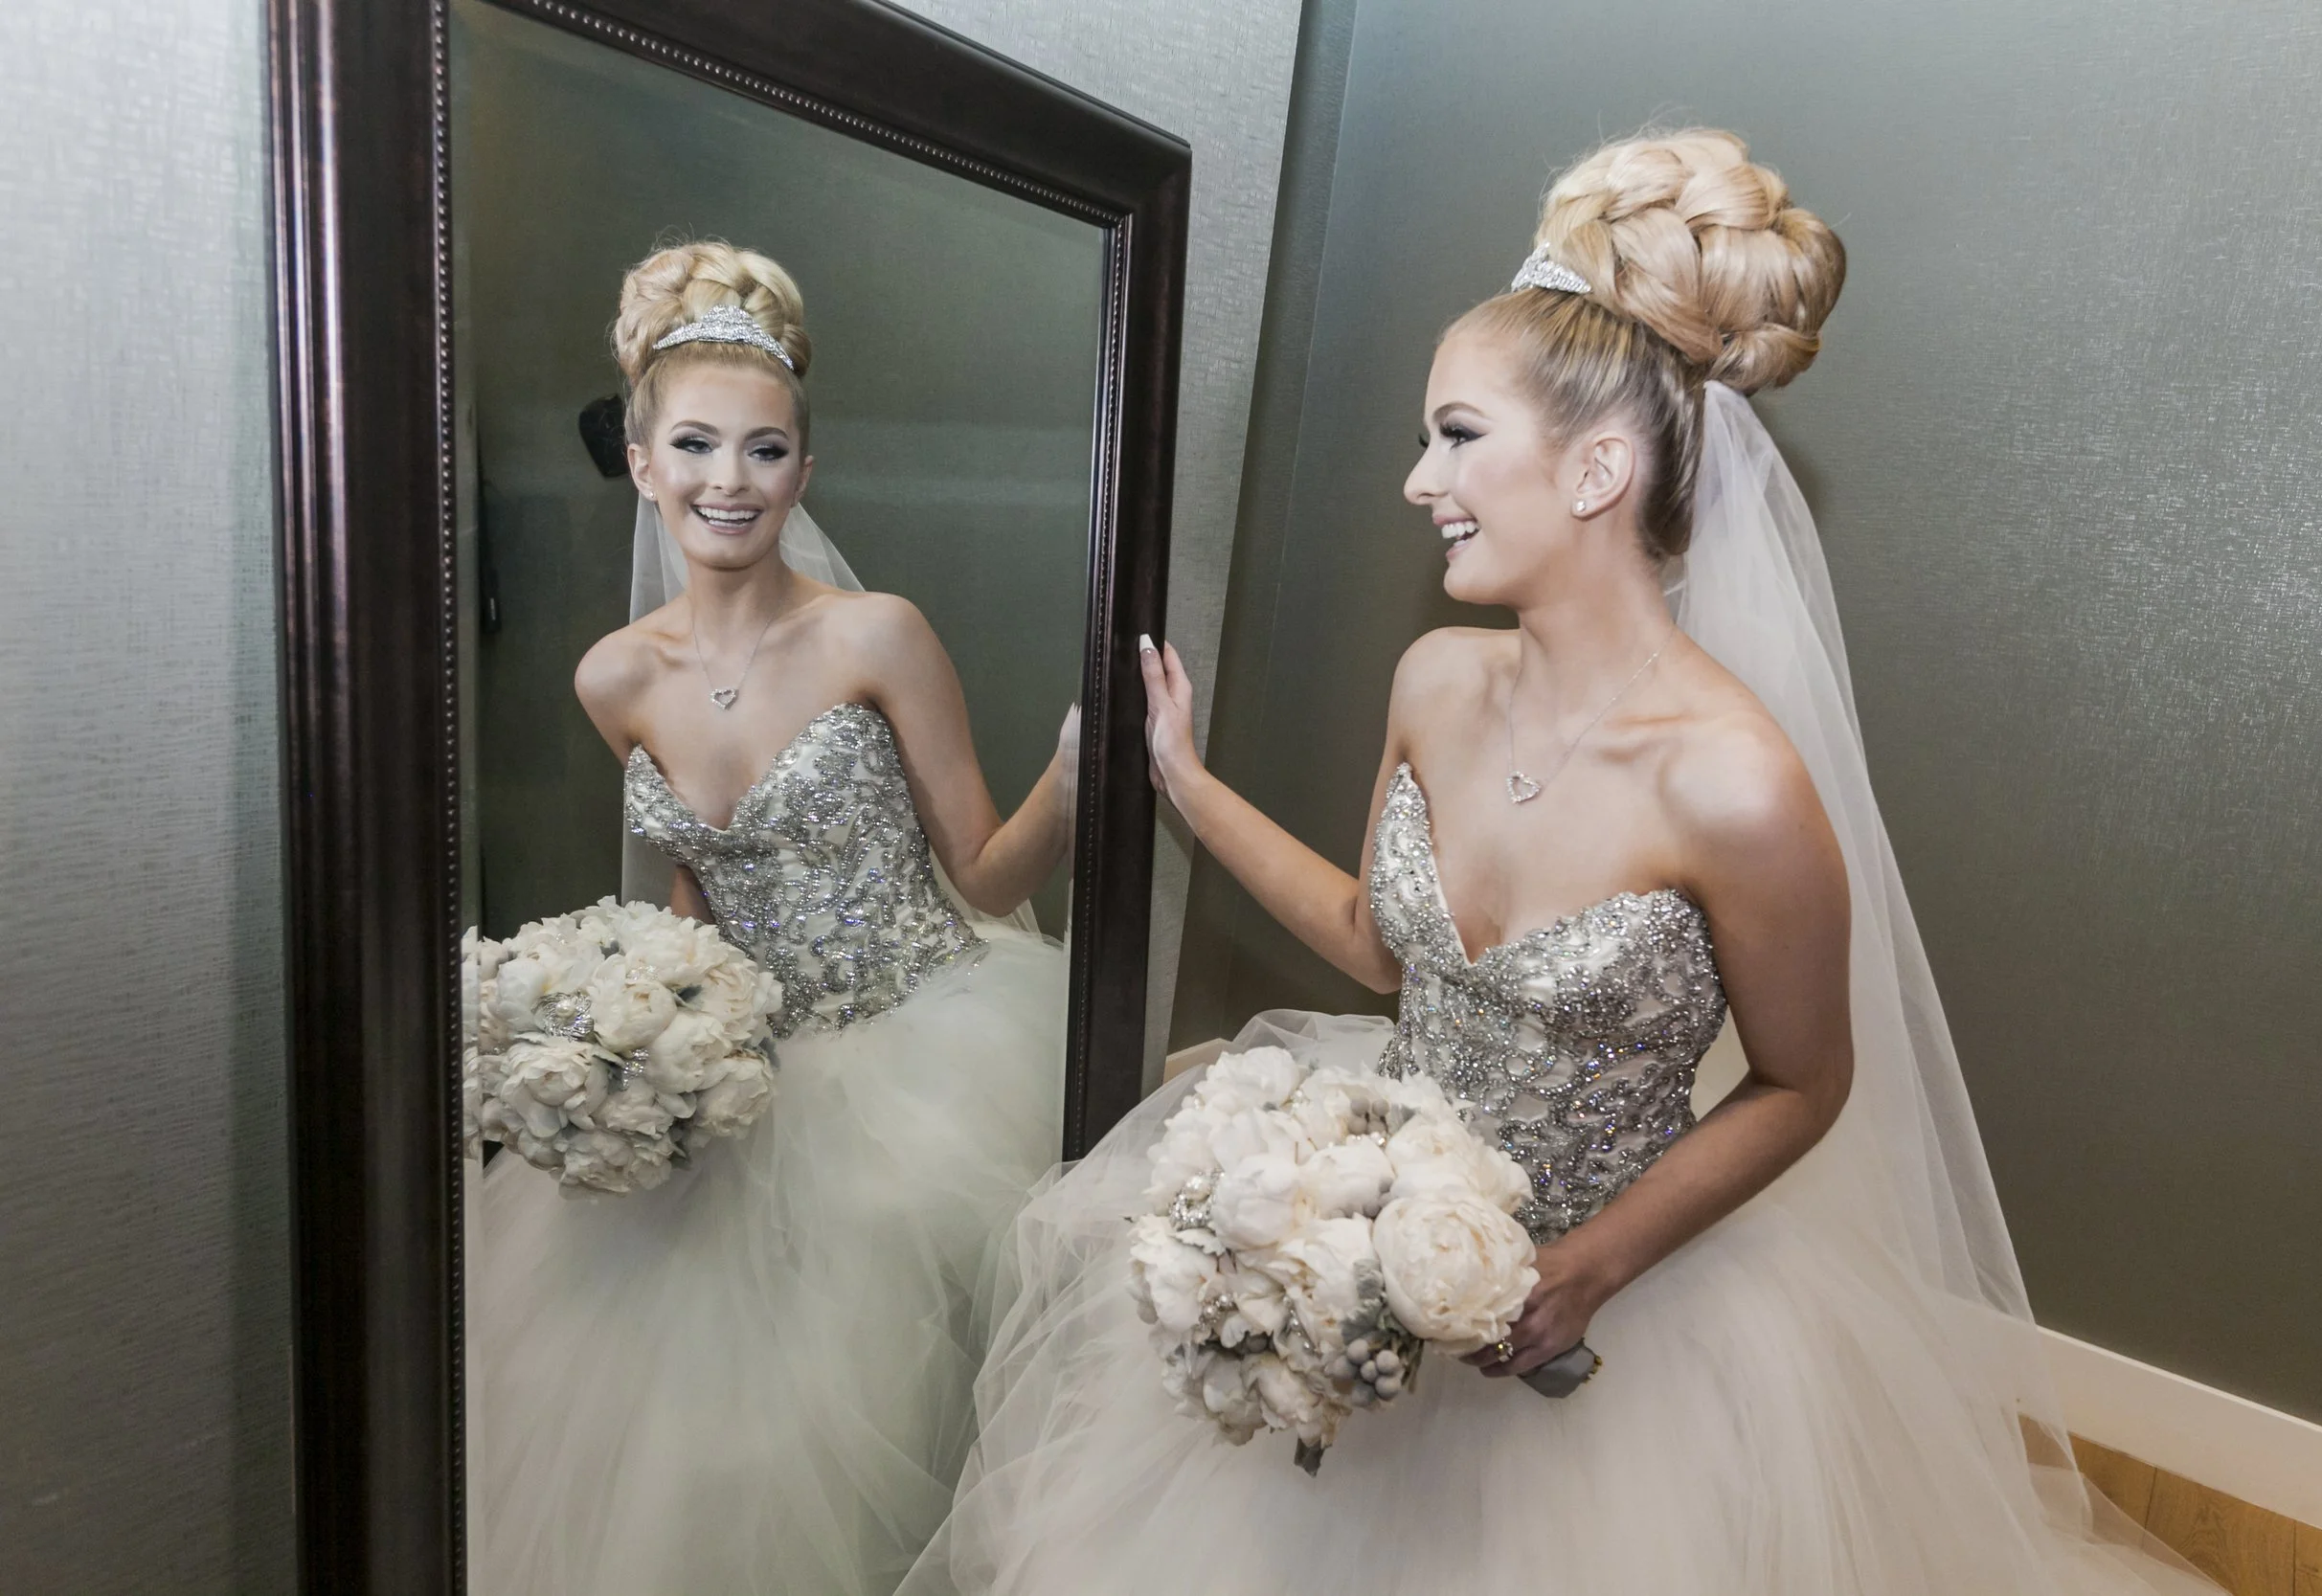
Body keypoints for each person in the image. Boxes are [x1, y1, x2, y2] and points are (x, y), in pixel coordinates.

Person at [901, 132, 2217, 1594]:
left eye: (1456, 435)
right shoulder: (1437, 681)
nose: (1418, 481)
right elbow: (1376, 938)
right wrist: (1184, 781)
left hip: (1622, 1319)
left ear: (1598, 467)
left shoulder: (1738, 784)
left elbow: (1804, 1082)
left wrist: (1592, 1262)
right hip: (1368, 1250)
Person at [472, 241, 1075, 1596]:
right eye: (694, 445)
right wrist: (656, 1018)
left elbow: (981, 870)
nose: (726, 482)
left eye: (764, 450)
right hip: (743, 1078)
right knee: (689, 1450)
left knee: (885, 1396)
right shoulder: (610, 677)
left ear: (806, 468)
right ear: (641, 461)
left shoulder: (879, 636)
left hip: (920, 1046)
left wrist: (1084, 779)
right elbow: (696, 880)